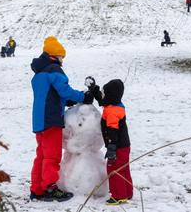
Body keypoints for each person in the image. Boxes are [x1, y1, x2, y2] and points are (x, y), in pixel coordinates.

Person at [29, 36, 94, 202]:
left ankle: (37, 189)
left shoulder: (39, 74)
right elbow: (64, 91)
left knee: (41, 156)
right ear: (54, 56)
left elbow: (53, 95)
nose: (62, 60)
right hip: (51, 120)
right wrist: (83, 97)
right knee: (52, 156)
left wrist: (70, 100)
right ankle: (50, 188)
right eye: (61, 57)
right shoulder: (54, 70)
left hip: (39, 121)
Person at [89, 78, 133, 206]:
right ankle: (127, 193)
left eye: (104, 92)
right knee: (124, 169)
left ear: (110, 95)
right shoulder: (115, 105)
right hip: (124, 145)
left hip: (117, 146)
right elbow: (103, 100)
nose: (102, 95)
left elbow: (113, 131)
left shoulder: (112, 112)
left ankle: (119, 196)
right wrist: (94, 89)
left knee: (114, 170)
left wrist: (112, 148)